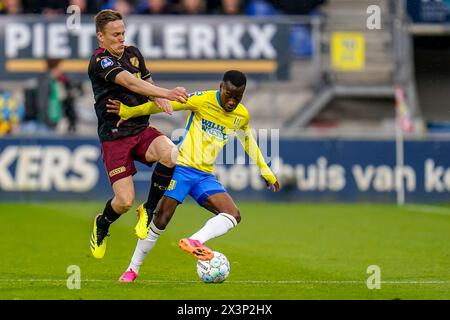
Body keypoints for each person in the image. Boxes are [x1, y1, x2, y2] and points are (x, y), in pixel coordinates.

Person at [106, 70, 280, 282]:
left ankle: (195, 241)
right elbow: (162, 105)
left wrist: (265, 169)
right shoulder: (202, 100)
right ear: (221, 87)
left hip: (204, 176)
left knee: (233, 214)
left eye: (238, 97)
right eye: (229, 95)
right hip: (181, 168)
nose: (232, 101)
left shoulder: (241, 115)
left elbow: (247, 140)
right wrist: (130, 111)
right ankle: (132, 270)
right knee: (160, 219)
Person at [88, 9, 188, 259]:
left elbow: (146, 81)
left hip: (141, 129)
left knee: (172, 155)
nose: (121, 38)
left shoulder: (134, 54)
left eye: (123, 33)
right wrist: (167, 93)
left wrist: (157, 96)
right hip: (115, 136)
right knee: (123, 202)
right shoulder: (101, 61)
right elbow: (131, 83)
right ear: (101, 37)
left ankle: (149, 208)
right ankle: (102, 224)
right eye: (115, 34)